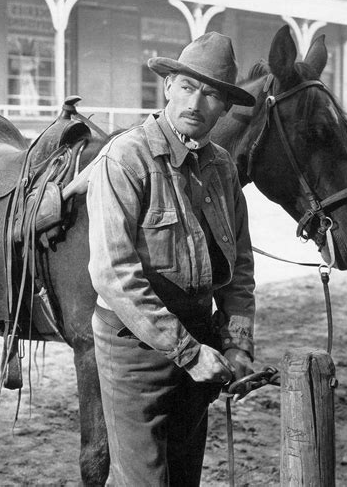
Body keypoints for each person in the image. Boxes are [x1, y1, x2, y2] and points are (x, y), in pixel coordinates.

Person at [86, 32, 256, 486]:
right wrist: (187, 353)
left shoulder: (222, 168)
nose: (196, 103)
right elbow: (115, 275)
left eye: (212, 94)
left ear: (224, 107)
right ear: (167, 87)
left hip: (200, 342)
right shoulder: (125, 159)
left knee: (184, 476)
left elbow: (239, 268)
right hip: (134, 350)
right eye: (187, 86)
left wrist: (237, 341)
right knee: (142, 480)